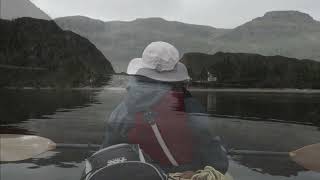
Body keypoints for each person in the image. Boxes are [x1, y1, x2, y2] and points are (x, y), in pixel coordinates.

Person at [102, 41, 229, 176]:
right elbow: (219, 163)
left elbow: (107, 156)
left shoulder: (122, 111)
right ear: (175, 75)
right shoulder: (190, 106)